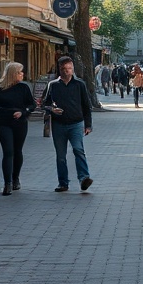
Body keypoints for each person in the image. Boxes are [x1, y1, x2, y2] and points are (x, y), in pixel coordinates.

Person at [42, 55, 93, 192]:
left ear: (73, 69)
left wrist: (88, 125)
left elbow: (86, 106)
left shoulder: (79, 84)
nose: (67, 71)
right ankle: (63, 182)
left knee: (78, 150)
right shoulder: (53, 85)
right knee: (61, 156)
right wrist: (52, 109)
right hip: (58, 125)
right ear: (60, 69)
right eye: (64, 69)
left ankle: (84, 178)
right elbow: (44, 104)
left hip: (76, 123)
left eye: (70, 68)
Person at [0, 62, 37, 195]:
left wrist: (23, 112)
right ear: (13, 74)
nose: (22, 74)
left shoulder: (23, 87)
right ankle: (7, 183)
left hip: (20, 122)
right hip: (4, 122)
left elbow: (32, 105)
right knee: (8, 151)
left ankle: (15, 179)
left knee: (17, 151)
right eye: (20, 72)